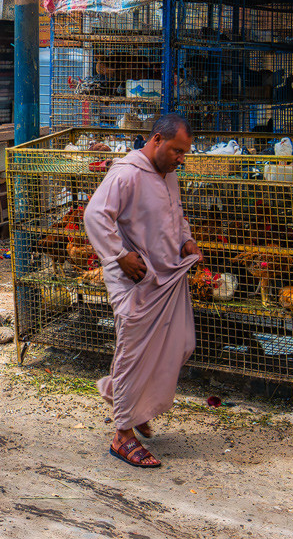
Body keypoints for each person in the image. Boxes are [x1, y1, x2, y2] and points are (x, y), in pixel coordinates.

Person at [82, 112, 201, 469]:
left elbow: (175, 215)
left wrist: (186, 241)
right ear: (156, 141)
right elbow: (95, 215)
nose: (181, 159)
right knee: (134, 354)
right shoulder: (127, 173)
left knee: (182, 345)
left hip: (167, 278)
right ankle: (123, 436)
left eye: (185, 153)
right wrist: (119, 256)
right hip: (136, 282)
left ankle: (124, 398)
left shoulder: (168, 176)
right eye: (177, 151)